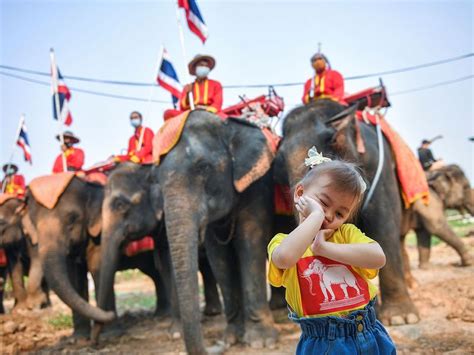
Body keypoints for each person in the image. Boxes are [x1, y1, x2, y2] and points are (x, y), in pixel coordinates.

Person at [267, 147, 396, 354]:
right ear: (300, 194)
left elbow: (378, 257)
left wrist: (324, 248)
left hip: (369, 330)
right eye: (323, 203)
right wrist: (314, 216)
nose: (328, 215)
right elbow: (284, 258)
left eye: (339, 213)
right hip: (323, 342)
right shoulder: (283, 241)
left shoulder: (346, 234)